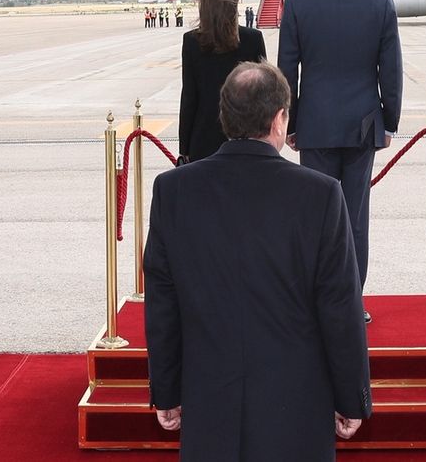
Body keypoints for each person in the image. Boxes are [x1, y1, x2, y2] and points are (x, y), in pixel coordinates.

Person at [145, 61, 372, 461]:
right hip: (297, 405)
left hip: (209, 397)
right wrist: (351, 397)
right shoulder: (320, 195)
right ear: (280, 119)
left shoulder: (174, 191)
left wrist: (166, 390)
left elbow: (163, 305)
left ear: (224, 116)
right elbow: (340, 308)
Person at [278, 0, 403, 322]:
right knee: (355, 217)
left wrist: (290, 122)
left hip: (314, 124)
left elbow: (287, 70)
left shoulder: (298, 3)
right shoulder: (379, 2)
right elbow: (391, 70)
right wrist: (390, 123)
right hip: (363, 125)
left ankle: (314, 299)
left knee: (314, 215)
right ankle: (350, 300)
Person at [179, 0, 266, 162]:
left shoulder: (192, 42)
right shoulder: (253, 39)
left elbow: (189, 98)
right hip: (246, 135)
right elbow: (262, 93)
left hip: (203, 138)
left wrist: (184, 145)